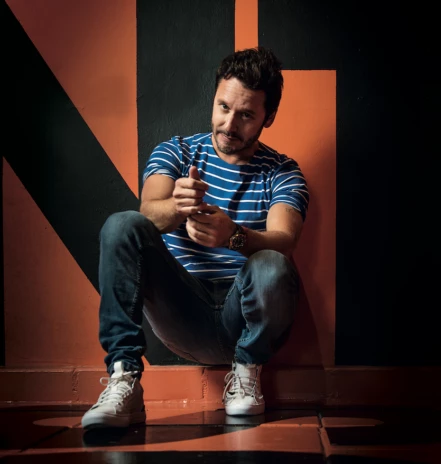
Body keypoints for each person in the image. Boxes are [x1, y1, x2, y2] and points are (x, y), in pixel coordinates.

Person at [81, 46, 309, 429]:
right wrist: (178, 206)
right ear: (214, 98)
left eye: (246, 115)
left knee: (272, 263)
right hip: (182, 311)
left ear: (268, 118)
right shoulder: (177, 151)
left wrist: (234, 236)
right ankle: (124, 377)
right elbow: (146, 216)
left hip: (245, 315)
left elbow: (285, 241)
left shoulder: (283, 172)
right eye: (223, 107)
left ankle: (247, 372)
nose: (229, 124)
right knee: (121, 225)